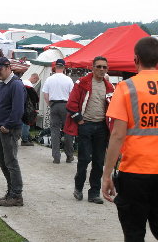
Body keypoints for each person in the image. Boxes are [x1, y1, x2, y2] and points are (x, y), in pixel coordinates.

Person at [102, 37, 158, 240]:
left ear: (136, 59)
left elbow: (117, 135)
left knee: (134, 233)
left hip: (135, 171)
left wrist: (107, 174)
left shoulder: (126, 88)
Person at [65, 56, 114, 204]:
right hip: (85, 125)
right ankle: (78, 187)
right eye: (98, 66)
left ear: (107, 69)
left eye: (104, 67)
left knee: (99, 162)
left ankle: (94, 193)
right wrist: (79, 119)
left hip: (101, 127)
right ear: (92, 67)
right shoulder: (82, 83)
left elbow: (112, 107)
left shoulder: (109, 87)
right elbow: (71, 104)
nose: (101, 69)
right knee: (85, 159)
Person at [0, 57, 25, 207]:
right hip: (1, 128)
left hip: (9, 129)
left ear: (8, 67)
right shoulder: (2, 84)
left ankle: (16, 195)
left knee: (11, 162)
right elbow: (0, 104)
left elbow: (18, 109)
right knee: (2, 161)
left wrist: (8, 125)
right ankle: (11, 192)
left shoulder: (16, 84)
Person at [42, 59, 74, 164]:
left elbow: (45, 94)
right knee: (67, 131)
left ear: (55, 67)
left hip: (54, 105)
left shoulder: (49, 79)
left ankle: (56, 157)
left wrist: (49, 104)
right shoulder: (68, 79)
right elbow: (72, 95)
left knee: (54, 131)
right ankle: (69, 155)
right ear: (64, 67)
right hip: (65, 105)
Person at [21, 73, 39, 146]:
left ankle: (28, 137)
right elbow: (33, 98)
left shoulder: (22, 81)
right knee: (27, 123)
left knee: (22, 123)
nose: (35, 83)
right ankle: (25, 140)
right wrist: (35, 108)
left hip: (21, 105)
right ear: (34, 78)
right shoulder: (29, 85)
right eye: (36, 81)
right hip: (27, 107)